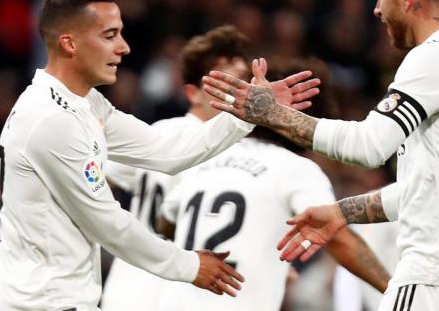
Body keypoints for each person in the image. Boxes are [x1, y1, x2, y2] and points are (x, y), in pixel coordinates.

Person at [202, 0, 439, 310]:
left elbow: (367, 146)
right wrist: (342, 211)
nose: (377, 10)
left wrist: (269, 114)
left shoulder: (434, 57)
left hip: (434, 279)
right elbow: (427, 190)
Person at [0, 0, 318, 311]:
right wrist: (189, 266)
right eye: (109, 35)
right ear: (69, 42)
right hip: (42, 303)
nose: (124, 47)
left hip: (63, 298)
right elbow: (106, 221)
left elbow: (164, 151)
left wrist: (245, 114)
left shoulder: (83, 104)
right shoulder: (51, 120)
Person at [100, 28, 389, 311]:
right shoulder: (294, 169)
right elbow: (337, 236)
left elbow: (165, 220)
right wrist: (395, 290)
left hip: (149, 294)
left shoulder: (197, 152)